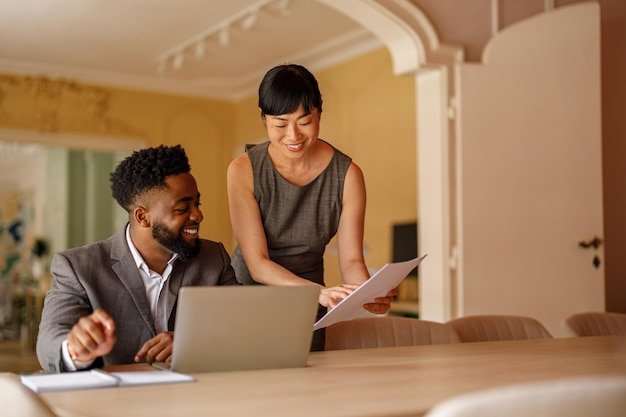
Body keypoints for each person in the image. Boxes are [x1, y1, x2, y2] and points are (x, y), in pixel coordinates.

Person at [227, 64, 396, 351]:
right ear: (264, 119)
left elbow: (352, 261)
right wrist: (317, 292)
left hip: (311, 305)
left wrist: (367, 294)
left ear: (319, 113)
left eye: (304, 122)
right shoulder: (243, 170)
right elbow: (257, 264)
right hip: (249, 299)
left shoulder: (348, 175)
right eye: (279, 124)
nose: (293, 136)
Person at [37, 145, 238, 372]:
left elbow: (243, 326)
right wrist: (76, 348)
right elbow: (49, 344)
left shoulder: (214, 258)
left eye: (197, 203)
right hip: (117, 399)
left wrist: (193, 343)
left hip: (199, 394)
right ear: (142, 217)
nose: (198, 215)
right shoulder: (77, 267)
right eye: (183, 208)